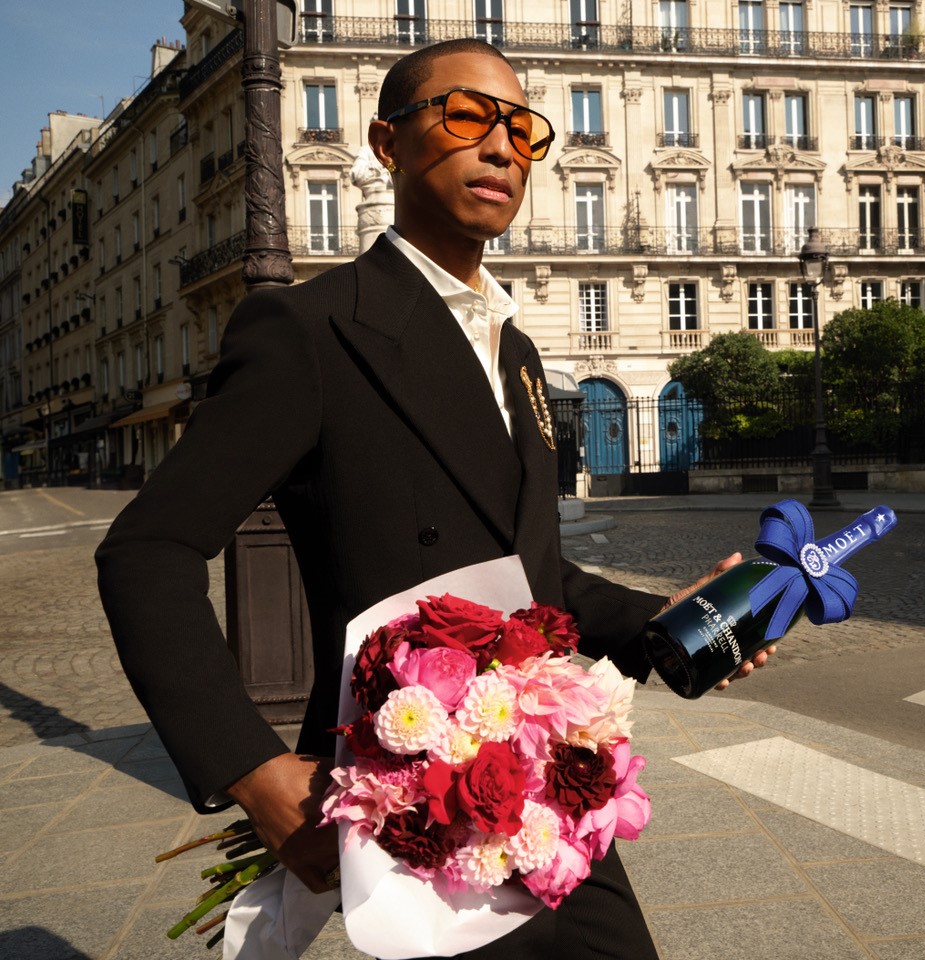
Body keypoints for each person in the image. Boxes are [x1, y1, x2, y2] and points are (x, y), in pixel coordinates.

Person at [96, 38, 771, 959]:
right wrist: (251, 770)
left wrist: (673, 618)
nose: (502, 147)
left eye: (522, 129)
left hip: (542, 788)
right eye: (464, 116)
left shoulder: (516, 350)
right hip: (413, 804)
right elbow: (148, 551)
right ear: (388, 143)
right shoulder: (311, 330)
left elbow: (529, 573)